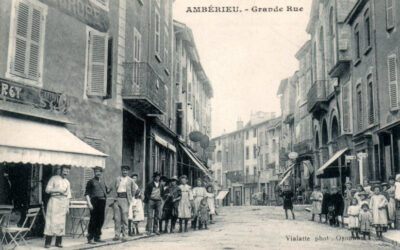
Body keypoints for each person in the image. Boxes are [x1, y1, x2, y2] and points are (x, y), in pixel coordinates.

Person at [44, 166, 72, 248]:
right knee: (51, 221)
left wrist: (67, 207)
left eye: (67, 171)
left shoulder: (67, 182)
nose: (66, 172)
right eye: (64, 170)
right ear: (61, 170)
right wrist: (57, 190)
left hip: (63, 203)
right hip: (54, 201)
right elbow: (47, 190)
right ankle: (47, 242)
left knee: (61, 223)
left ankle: (58, 242)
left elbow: (68, 196)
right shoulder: (54, 178)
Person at [85, 166, 110, 244]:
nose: (98, 173)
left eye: (99, 172)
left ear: (101, 173)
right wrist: (89, 203)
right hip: (94, 201)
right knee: (93, 220)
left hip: (102, 201)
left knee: (101, 219)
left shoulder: (102, 182)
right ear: (94, 172)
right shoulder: (90, 182)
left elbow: (106, 191)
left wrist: (110, 189)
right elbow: (87, 194)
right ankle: (90, 238)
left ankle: (97, 237)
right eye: (96, 172)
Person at [112, 165, 137, 241]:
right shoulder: (117, 179)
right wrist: (114, 198)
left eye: (126, 170)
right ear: (121, 171)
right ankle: (117, 235)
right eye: (123, 170)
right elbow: (114, 188)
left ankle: (125, 235)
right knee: (117, 218)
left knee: (124, 218)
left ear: (128, 171)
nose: (125, 172)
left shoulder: (130, 180)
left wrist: (130, 198)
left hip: (125, 199)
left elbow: (134, 190)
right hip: (117, 199)